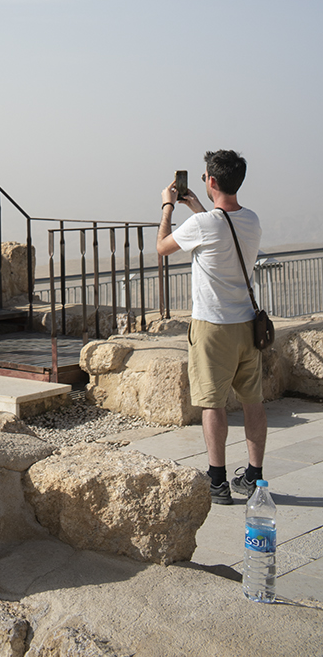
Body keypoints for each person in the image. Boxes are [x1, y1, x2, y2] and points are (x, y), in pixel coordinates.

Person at [157, 149, 266, 506]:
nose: (203, 181)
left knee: (212, 404)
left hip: (213, 327)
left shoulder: (201, 225)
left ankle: (217, 480)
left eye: (205, 177)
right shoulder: (251, 220)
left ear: (213, 181)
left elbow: (162, 248)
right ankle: (253, 477)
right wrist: (198, 209)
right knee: (253, 402)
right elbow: (222, 230)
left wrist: (168, 206)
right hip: (248, 327)